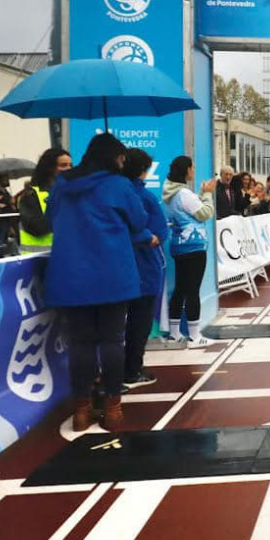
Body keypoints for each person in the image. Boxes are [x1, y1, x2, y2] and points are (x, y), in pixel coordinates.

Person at [43, 133, 149, 432]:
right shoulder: (119, 185)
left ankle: (81, 411)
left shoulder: (63, 184)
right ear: (112, 157)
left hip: (70, 275)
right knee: (113, 341)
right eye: (120, 157)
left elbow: (51, 220)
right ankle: (113, 409)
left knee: (81, 343)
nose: (122, 161)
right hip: (112, 273)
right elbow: (138, 222)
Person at [122, 148, 168, 387]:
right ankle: (132, 369)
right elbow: (160, 231)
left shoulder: (110, 194)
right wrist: (146, 237)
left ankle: (116, 371)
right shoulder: (145, 197)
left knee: (114, 324)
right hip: (144, 267)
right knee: (139, 321)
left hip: (115, 267)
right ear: (144, 170)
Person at [163, 155, 216, 345]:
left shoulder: (170, 192)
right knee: (193, 290)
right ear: (186, 170)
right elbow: (204, 213)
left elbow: (190, 211)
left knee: (180, 289)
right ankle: (195, 335)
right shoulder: (184, 193)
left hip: (178, 245)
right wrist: (208, 194)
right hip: (194, 246)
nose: (194, 171)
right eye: (192, 167)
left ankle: (174, 333)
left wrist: (201, 194)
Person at [18, 148, 73, 254]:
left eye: (70, 165)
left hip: (65, 257)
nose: (68, 168)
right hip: (37, 260)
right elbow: (37, 228)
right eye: (63, 165)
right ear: (50, 168)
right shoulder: (31, 195)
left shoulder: (69, 192)